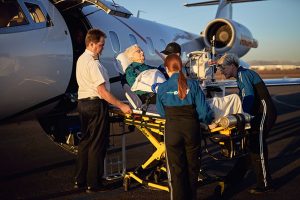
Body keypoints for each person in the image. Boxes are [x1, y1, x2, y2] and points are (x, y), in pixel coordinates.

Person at [75, 29, 132, 193]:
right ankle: (94, 183)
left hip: (83, 104)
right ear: (91, 43)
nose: (102, 48)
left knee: (85, 142)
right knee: (97, 145)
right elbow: (102, 91)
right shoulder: (93, 63)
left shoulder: (81, 59)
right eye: (101, 45)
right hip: (95, 105)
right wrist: (121, 106)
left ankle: (80, 179)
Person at [217, 53, 277, 195]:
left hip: (264, 113)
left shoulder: (243, 75)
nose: (221, 71)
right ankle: (233, 179)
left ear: (232, 66)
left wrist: (241, 117)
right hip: (259, 113)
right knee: (251, 146)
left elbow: (248, 98)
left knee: (258, 147)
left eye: (223, 68)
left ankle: (265, 185)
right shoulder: (241, 74)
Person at [156, 54, 214, 200]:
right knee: (192, 170)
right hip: (192, 130)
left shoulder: (162, 88)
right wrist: (204, 121)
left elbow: (162, 113)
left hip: (173, 131)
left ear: (166, 68)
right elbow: (203, 112)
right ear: (181, 67)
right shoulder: (193, 84)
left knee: (176, 172)